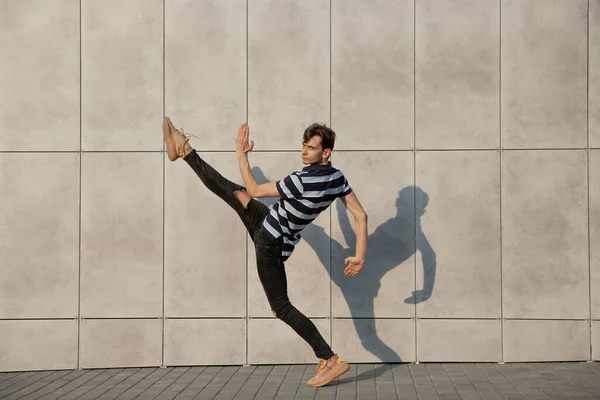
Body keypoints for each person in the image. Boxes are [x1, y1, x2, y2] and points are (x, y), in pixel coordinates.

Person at [163, 116, 368, 387]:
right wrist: (360, 255)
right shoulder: (337, 177)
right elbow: (359, 214)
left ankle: (329, 358)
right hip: (267, 222)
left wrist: (240, 153)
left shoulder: (302, 180)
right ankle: (184, 149)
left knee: (281, 308)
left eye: (311, 148)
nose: (304, 151)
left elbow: (256, 189)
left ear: (326, 152)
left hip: (270, 242)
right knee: (230, 191)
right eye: (303, 145)